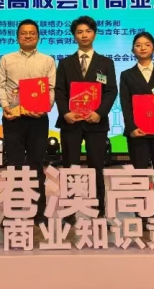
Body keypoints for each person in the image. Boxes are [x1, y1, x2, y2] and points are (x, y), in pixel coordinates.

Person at [55, 16, 118, 221]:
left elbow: (111, 91)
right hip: (71, 122)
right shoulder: (65, 63)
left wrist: (99, 113)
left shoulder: (105, 63)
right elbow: (59, 91)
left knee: (96, 167)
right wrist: (65, 112)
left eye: (88, 31)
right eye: (80, 32)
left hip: (96, 123)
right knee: (70, 167)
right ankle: (69, 212)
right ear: (74, 36)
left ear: (95, 34)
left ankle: (98, 211)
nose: (84, 35)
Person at [0, 19, 56, 225]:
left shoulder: (47, 60)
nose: (28, 36)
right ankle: (12, 210)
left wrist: (44, 107)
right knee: (13, 165)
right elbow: (1, 86)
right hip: (13, 119)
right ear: (17, 36)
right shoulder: (6, 59)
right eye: (24, 33)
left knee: (36, 164)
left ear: (38, 36)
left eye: (32, 33)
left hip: (38, 120)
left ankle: (39, 211)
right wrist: (6, 107)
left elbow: (51, 88)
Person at [119, 31, 154, 224]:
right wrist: (131, 128)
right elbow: (125, 103)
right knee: (140, 173)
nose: (142, 48)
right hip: (138, 134)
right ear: (132, 50)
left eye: (147, 44)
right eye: (138, 45)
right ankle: (142, 213)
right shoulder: (127, 75)